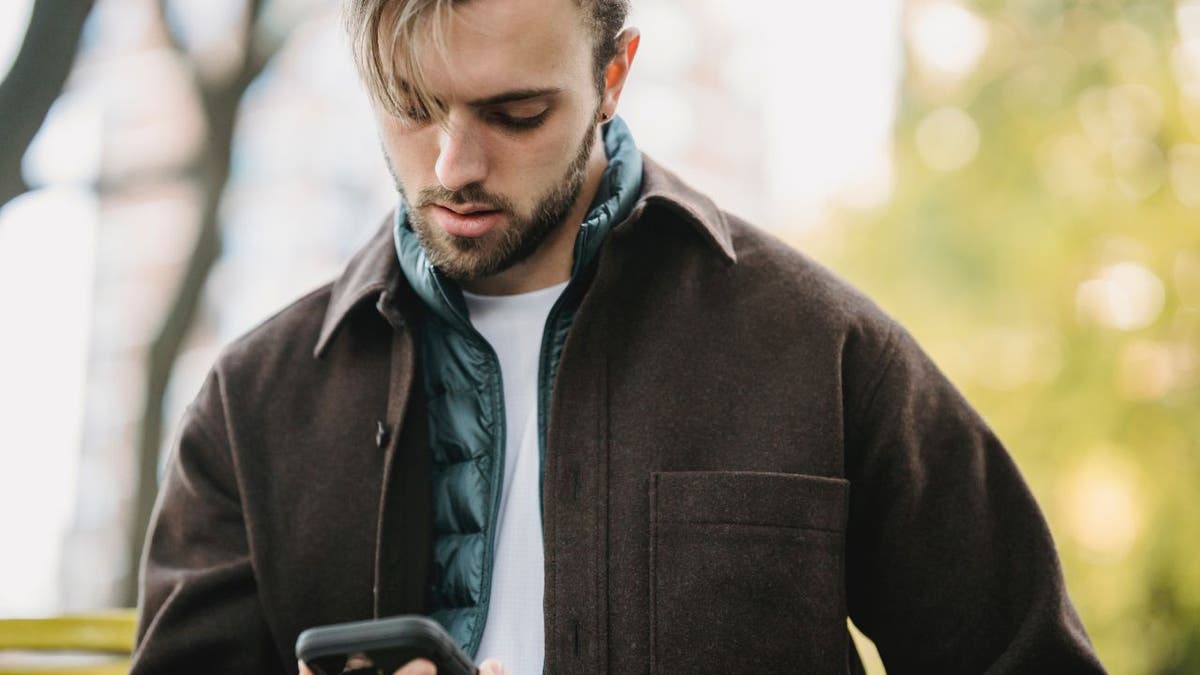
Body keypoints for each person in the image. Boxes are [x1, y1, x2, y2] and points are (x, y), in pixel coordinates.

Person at [131, 0, 1108, 672]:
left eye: (515, 113)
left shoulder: (824, 353)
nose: (454, 163)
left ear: (616, 74)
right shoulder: (251, 406)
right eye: (412, 108)